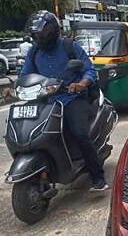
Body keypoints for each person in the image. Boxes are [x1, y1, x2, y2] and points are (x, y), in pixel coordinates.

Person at [20, 11, 108, 191]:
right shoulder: (34, 51)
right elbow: (25, 75)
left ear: (52, 31)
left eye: (41, 34)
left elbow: (89, 69)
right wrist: (16, 86)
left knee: (80, 133)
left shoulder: (70, 46)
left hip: (72, 98)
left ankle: (97, 177)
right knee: (31, 131)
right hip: (46, 101)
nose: (38, 37)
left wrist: (81, 83)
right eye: (35, 35)